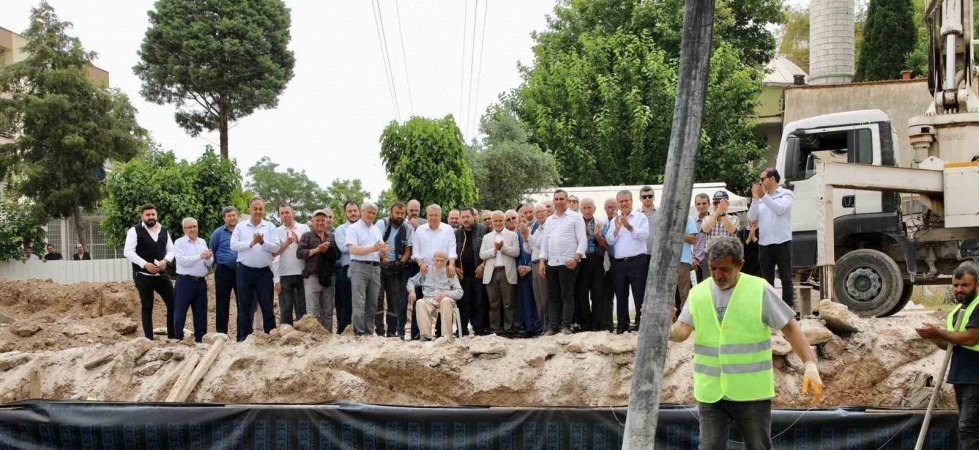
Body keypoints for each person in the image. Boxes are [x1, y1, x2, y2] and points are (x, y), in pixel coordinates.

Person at [670, 236, 822, 450]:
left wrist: (810, 363)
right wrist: (667, 330)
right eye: (713, 268)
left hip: (751, 393)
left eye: (724, 269)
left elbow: (789, 327)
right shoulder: (698, 293)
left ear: (740, 265)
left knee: (758, 446)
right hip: (711, 392)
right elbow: (682, 331)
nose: (717, 275)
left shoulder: (759, 290)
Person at [916, 262, 979, 448]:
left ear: (977, 285)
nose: (959, 289)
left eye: (965, 285)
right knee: (968, 426)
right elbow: (951, 345)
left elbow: (970, 339)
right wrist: (934, 337)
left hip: (976, 378)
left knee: (969, 428)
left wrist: (940, 332)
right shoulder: (955, 313)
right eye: (956, 285)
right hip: (963, 377)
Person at [230, 196, 280, 342]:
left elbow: (276, 246)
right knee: (244, 307)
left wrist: (263, 242)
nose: (258, 211)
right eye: (255, 209)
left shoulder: (270, 226)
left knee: (267, 306)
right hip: (244, 271)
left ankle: (271, 338)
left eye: (260, 209)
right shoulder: (241, 226)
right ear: (249, 210)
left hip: (264, 272)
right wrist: (251, 243)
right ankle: (243, 339)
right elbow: (233, 245)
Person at [123, 204, 176, 340]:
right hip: (143, 275)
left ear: (156, 215)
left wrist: (165, 261)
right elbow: (128, 251)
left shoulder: (164, 230)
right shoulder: (134, 231)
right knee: (147, 306)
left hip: (161, 275)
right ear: (142, 216)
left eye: (153, 214)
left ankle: (173, 336)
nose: (151, 217)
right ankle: (148, 339)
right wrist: (144, 264)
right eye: (148, 215)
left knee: (173, 303)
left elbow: (171, 250)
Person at [539, 189, 587, 336]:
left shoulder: (576, 217)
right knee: (553, 296)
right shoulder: (549, 220)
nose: (559, 202)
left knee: (567, 295)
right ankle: (553, 327)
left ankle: (566, 326)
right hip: (552, 263)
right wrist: (542, 262)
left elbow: (582, 240)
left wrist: (576, 259)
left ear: (567, 200)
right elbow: (545, 243)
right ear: (554, 201)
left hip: (568, 263)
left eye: (561, 199)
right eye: (556, 199)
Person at [748, 168, 795, 307]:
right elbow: (751, 219)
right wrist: (756, 200)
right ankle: (770, 310)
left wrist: (763, 197)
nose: (760, 182)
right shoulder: (762, 198)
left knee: (786, 278)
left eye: (762, 179)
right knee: (767, 280)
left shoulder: (786, 193)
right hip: (765, 243)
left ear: (772, 178)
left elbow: (780, 209)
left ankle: (787, 310)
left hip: (782, 242)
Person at [605, 190, 650, 334]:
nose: (624, 203)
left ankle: (640, 325)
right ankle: (622, 326)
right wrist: (617, 229)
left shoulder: (640, 217)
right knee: (621, 295)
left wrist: (629, 227)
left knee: (639, 294)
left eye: (626, 200)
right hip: (619, 263)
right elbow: (609, 240)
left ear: (632, 201)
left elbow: (644, 236)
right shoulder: (614, 220)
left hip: (637, 261)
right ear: (618, 204)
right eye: (621, 201)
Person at [412, 204, 458, 338]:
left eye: (436, 215)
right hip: (425, 271)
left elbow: (452, 249)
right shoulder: (420, 230)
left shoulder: (448, 229)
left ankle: (444, 334)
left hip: (444, 271)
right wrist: (420, 263)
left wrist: (451, 265)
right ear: (426, 216)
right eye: (430, 215)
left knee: (444, 299)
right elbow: (416, 251)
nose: (433, 218)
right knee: (422, 301)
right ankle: (422, 334)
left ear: (440, 215)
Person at [345, 202, 389, 336]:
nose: (371, 215)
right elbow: (353, 249)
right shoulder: (353, 228)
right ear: (361, 212)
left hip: (375, 268)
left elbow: (379, 252)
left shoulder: (376, 230)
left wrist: (383, 252)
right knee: (359, 301)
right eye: (369, 212)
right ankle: (359, 331)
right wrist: (373, 248)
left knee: (372, 302)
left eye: (374, 213)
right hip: (359, 266)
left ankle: (368, 332)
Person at [297, 209, 341, 332]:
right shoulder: (307, 236)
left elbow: (337, 255)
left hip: (328, 278)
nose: (320, 222)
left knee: (328, 311)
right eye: (318, 220)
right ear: (312, 221)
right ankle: (315, 338)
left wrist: (327, 250)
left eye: (323, 220)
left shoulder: (331, 237)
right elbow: (299, 253)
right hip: (312, 278)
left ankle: (327, 337)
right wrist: (316, 250)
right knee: (313, 313)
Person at [374, 202, 413, 337]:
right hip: (379, 265)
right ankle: (379, 331)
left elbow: (408, 250)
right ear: (391, 213)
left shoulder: (408, 228)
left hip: (396, 268)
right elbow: (376, 244)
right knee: (378, 298)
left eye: (402, 213)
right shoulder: (382, 224)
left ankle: (391, 331)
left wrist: (400, 263)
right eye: (397, 213)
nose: (400, 216)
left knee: (394, 299)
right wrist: (383, 258)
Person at [407, 251, 464, 341]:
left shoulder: (450, 272)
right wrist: (411, 291)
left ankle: (446, 336)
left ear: (446, 261)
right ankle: (426, 336)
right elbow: (411, 281)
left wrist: (447, 294)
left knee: (446, 300)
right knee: (420, 302)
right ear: (433, 260)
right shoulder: (426, 270)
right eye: (437, 260)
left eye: (442, 261)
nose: (439, 263)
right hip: (429, 299)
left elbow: (459, 292)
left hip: (445, 299)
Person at [173, 217, 213, 342]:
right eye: (189, 227)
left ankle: (200, 339)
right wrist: (200, 256)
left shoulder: (202, 242)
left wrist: (208, 257)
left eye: (194, 226)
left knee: (201, 312)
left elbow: (209, 263)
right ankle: (178, 338)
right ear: (184, 229)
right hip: (185, 281)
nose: (193, 229)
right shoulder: (179, 243)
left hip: (201, 281)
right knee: (180, 310)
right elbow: (182, 261)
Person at [480, 211, 520, 335]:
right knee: (493, 304)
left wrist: (503, 248)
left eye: (500, 220)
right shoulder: (487, 237)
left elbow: (516, 252)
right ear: (492, 222)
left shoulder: (512, 235)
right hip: (491, 273)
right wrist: (494, 249)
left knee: (508, 303)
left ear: (504, 221)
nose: (497, 223)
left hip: (506, 272)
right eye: (495, 221)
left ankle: (509, 329)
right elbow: (482, 254)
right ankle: (495, 330)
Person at [273, 203, 310, 325]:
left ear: (293, 213)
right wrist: (276, 279)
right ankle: (286, 334)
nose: (284, 215)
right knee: (286, 308)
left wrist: (298, 241)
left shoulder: (304, 228)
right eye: (282, 213)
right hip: (285, 274)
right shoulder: (277, 231)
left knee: (302, 308)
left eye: (287, 212)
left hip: (302, 273)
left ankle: (303, 334)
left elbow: (309, 249)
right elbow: (275, 254)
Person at [576, 198, 608, 332]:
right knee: (581, 294)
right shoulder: (576, 223)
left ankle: (596, 325)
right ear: (580, 209)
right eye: (584, 208)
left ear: (594, 209)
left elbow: (607, 245)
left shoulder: (601, 223)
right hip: (581, 260)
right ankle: (584, 325)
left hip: (596, 260)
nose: (587, 210)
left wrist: (598, 237)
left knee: (597, 294)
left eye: (590, 207)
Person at [455, 207, 486, 336]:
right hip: (462, 275)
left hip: (478, 274)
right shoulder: (457, 233)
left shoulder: (483, 230)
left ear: (474, 216)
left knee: (478, 303)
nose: (466, 219)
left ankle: (478, 330)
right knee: (463, 303)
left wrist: (483, 265)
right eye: (463, 217)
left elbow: (491, 249)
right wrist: (455, 267)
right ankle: (462, 330)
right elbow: (452, 252)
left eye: (468, 217)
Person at [209, 206, 239, 335]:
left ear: (237, 216)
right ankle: (221, 334)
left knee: (242, 303)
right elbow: (212, 251)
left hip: (240, 271)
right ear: (224, 218)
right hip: (223, 272)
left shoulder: (242, 230)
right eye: (229, 216)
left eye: (234, 215)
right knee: (222, 303)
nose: (232, 218)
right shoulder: (218, 233)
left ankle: (242, 334)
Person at [698, 191, 740, 282]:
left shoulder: (734, 218)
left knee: (727, 283)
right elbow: (705, 229)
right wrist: (717, 213)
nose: (717, 205)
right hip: (710, 256)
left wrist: (723, 214)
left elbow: (731, 230)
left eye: (720, 203)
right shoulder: (707, 218)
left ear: (727, 204)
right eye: (715, 203)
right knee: (708, 284)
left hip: (727, 257)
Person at [516, 203, 543, 337]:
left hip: (536, 267)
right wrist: (520, 265)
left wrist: (530, 267)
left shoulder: (540, 227)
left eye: (530, 211)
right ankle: (530, 327)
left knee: (538, 298)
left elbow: (540, 249)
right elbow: (519, 251)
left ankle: (540, 326)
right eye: (524, 213)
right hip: (523, 271)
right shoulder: (519, 230)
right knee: (526, 299)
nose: (528, 215)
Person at [334, 201, 360, 334]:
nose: (353, 213)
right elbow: (343, 247)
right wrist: (363, 247)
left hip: (363, 269)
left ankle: (359, 331)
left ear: (359, 211)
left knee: (360, 302)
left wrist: (356, 247)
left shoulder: (366, 227)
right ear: (345, 213)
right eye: (350, 211)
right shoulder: (340, 229)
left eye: (355, 210)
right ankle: (343, 331)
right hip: (347, 269)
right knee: (345, 302)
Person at [504, 209, 525, 335]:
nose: (511, 221)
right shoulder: (505, 235)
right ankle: (516, 325)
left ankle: (527, 325)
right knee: (514, 300)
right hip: (510, 270)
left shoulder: (523, 231)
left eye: (513, 217)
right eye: (508, 219)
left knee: (526, 298)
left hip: (525, 269)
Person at [529, 204, 550, 329]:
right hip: (535, 263)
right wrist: (527, 238)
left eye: (541, 211)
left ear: (547, 212)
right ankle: (543, 326)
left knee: (546, 297)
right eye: (536, 212)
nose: (539, 215)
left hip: (544, 263)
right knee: (539, 298)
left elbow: (541, 245)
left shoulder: (549, 227)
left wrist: (528, 236)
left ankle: (549, 326)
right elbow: (530, 249)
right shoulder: (537, 228)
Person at [600, 198, 618, 332]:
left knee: (622, 293)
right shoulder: (602, 223)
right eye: (608, 207)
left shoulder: (622, 220)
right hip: (607, 260)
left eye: (613, 207)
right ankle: (607, 324)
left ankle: (624, 323)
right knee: (606, 294)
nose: (610, 210)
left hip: (621, 259)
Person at [677, 215, 699, 310]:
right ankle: (671, 321)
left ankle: (685, 320)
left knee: (684, 294)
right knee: (667, 295)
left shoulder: (688, 218)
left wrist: (676, 233)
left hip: (683, 260)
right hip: (666, 261)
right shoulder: (664, 217)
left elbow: (693, 239)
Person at [692, 194, 711, 283]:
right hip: (698, 262)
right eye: (698, 204)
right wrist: (692, 258)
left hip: (713, 260)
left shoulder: (714, 220)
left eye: (704, 203)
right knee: (701, 288)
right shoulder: (692, 222)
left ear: (709, 204)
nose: (701, 206)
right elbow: (688, 242)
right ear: (695, 205)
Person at [638, 186, 658, 261]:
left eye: (650, 196)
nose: (647, 198)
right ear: (640, 198)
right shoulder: (636, 214)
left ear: (654, 197)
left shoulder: (662, 213)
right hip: (641, 254)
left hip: (658, 253)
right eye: (644, 197)